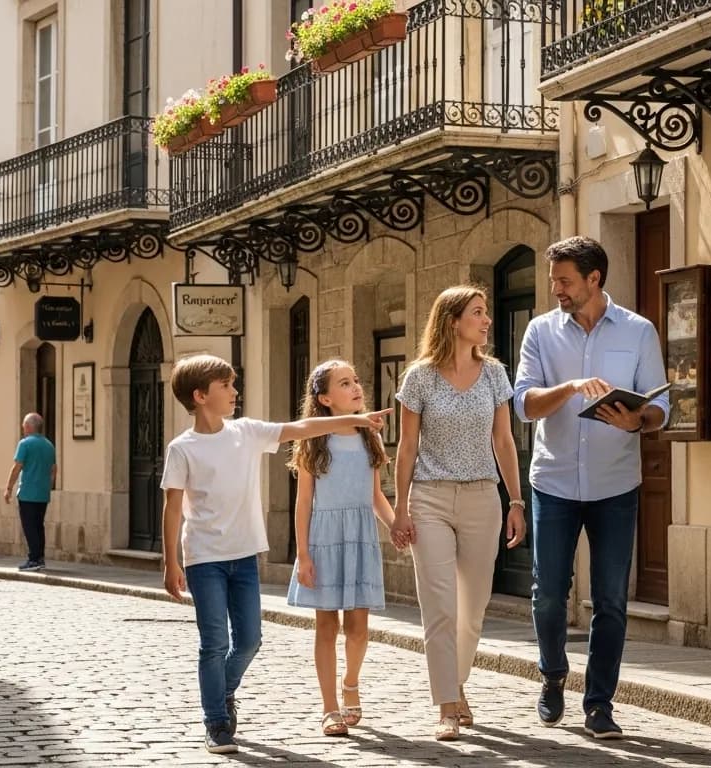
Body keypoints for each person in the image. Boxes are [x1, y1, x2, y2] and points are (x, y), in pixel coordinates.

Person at [159, 353, 390, 754]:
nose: (235, 391)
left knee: (248, 641)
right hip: (203, 558)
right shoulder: (183, 449)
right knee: (214, 642)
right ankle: (216, 720)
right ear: (200, 396)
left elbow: (302, 426)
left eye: (233, 383)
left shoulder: (247, 431)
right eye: (226, 386)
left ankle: (221, 690)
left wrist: (355, 420)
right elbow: (173, 508)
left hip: (245, 555)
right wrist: (170, 561)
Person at [512, 235, 669, 739]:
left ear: (594, 279)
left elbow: (659, 409)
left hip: (616, 484)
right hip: (553, 481)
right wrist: (572, 388)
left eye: (564, 279)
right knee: (549, 595)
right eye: (553, 279)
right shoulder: (540, 332)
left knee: (610, 600)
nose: (556, 288)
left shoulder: (639, 331)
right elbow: (524, 404)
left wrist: (636, 421)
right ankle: (553, 673)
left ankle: (600, 704)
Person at [391, 284, 527, 742]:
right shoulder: (420, 377)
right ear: (453, 320)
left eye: (487, 312)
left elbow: (504, 441)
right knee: (440, 607)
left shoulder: (494, 374)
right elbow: (407, 447)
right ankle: (447, 705)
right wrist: (400, 508)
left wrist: (516, 499)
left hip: (482, 497)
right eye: (478, 313)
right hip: (428, 498)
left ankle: (458, 681)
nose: (487, 320)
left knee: (473, 609)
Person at [286, 359, 404, 738]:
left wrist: (395, 525)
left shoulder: (369, 435)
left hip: (359, 536)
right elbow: (303, 502)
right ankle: (329, 707)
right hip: (323, 538)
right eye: (344, 383)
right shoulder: (313, 439)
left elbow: (374, 496)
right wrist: (303, 554)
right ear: (323, 399)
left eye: (356, 381)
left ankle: (350, 682)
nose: (356, 388)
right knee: (326, 626)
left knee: (357, 628)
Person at [3, 412, 56, 572]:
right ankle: (40, 558)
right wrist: (48, 486)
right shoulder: (49, 445)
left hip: (27, 492)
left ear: (28, 426)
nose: (22, 428)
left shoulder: (24, 444)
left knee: (29, 527)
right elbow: (54, 470)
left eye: (23, 425)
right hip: (42, 493)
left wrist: (8, 488)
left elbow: (17, 466)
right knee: (39, 526)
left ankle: (33, 559)